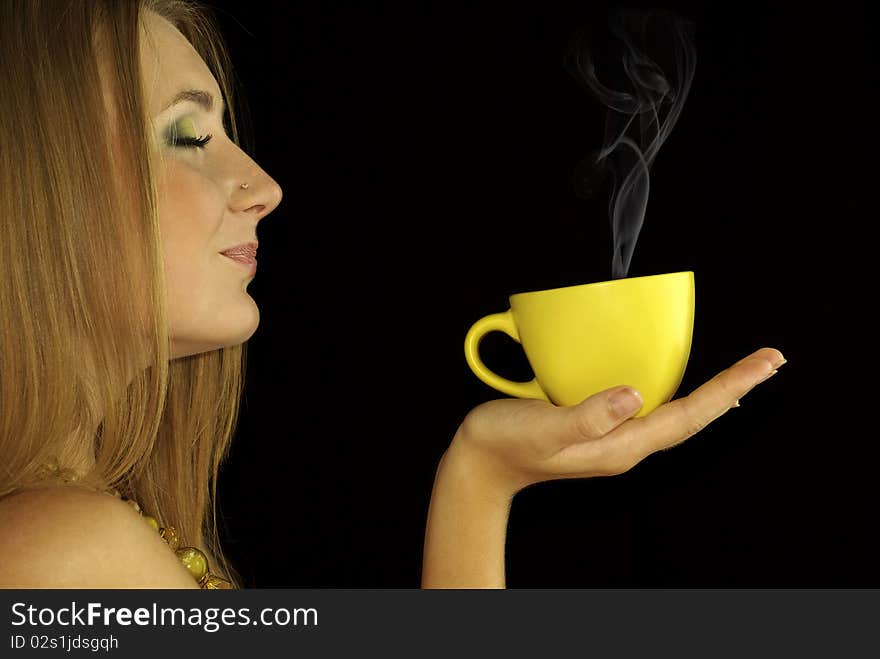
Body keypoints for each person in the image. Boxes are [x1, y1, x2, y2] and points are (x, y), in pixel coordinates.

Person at [0, 0, 785, 589]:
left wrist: (483, 474)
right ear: (33, 181)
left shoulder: (86, 525)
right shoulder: (64, 552)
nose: (264, 187)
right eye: (188, 136)